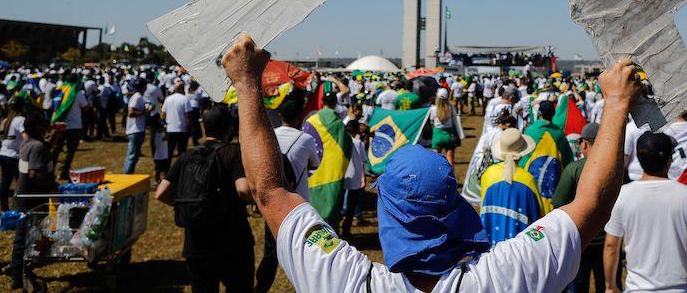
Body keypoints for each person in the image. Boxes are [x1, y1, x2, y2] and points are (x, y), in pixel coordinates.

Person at [224, 33, 643, 293]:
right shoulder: (505, 276)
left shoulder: (346, 280)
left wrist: (247, 84)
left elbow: (270, 190)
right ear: (456, 208)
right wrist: (617, 102)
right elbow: (591, 206)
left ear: (387, 215)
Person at [604, 131, 687, 293]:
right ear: (669, 160)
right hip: (682, 289)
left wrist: (610, 286)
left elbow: (611, 245)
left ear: (638, 158)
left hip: (638, 289)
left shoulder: (623, 195)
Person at [156, 105, 255, 293]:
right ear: (230, 129)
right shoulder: (233, 153)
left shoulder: (187, 155)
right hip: (232, 241)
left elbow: (161, 193)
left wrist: (191, 206)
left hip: (196, 243)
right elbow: (242, 190)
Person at [256, 95, 319, 293]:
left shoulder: (270, 135)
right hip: (298, 202)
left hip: (272, 201)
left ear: (280, 115)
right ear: (300, 117)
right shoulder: (306, 139)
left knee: (271, 249)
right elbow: (314, 164)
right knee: (303, 249)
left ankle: (262, 286)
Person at [551, 123, 608, 293]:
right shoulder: (616, 169)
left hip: (579, 240)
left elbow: (559, 203)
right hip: (607, 241)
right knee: (605, 285)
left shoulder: (573, 169)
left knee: (578, 287)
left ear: (584, 144)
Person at [10, 112, 58, 289]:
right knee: (25, 239)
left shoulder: (28, 143)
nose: (48, 127)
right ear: (38, 128)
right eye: (45, 125)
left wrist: (54, 137)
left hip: (25, 199)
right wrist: (53, 187)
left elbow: (44, 154)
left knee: (22, 239)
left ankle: (17, 270)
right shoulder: (37, 146)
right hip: (31, 202)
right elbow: (34, 173)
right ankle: (18, 273)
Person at [479, 128, 548, 244]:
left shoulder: (488, 175)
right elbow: (538, 216)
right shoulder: (528, 180)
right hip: (519, 249)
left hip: (491, 245)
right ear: (521, 154)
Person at [521, 100, 573, 198]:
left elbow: (523, 158)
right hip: (552, 187)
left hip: (529, 185)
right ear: (554, 113)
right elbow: (567, 160)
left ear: (539, 113)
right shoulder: (559, 134)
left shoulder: (530, 131)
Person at [0, 97, 26, 212]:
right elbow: (25, 137)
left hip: (3, 154)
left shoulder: (6, 120)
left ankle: (4, 209)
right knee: (21, 185)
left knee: (5, 183)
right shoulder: (20, 120)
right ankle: (19, 208)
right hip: (14, 156)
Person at [340, 119, 367, 238]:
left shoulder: (341, 141)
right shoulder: (358, 143)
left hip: (342, 177)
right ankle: (346, 232)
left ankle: (336, 229)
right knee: (351, 208)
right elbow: (362, 162)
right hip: (355, 178)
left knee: (340, 206)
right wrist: (363, 177)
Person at [429, 88, 461, 167]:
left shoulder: (433, 109)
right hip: (449, 135)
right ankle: (451, 177)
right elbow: (455, 120)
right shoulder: (451, 107)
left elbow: (431, 122)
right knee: (450, 159)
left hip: (437, 135)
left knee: (435, 160)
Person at [123, 79, 149, 174]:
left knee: (134, 156)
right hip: (135, 130)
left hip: (137, 129)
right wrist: (145, 112)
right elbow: (131, 113)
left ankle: (129, 175)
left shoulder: (138, 97)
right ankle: (127, 177)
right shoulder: (137, 97)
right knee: (132, 156)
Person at [162, 81, 191, 159]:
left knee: (169, 151)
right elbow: (188, 115)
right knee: (182, 152)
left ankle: (166, 169)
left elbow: (163, 114)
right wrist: (189, 127)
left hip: (170, 129)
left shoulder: (168, 99)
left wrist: (165, 125)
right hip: (182, 129)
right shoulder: (185, 99)